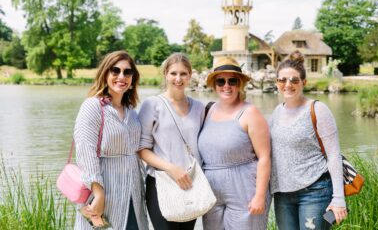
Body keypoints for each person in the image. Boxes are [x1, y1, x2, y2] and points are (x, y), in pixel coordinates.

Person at [269, 50, 347, 229]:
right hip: (282, 194)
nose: (288, 85)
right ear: (277, 82)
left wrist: (338, 199)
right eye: (282, 80)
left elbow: (334, 155)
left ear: (304, 82)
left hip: (315, 191)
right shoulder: (276, 112)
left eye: (294, 80)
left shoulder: (317, 109)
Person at [74, 50, 148, 230]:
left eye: (127, 72)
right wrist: (98, 192)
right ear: (105, 74)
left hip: (133, 189)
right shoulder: (93, 106)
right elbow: (85, 150)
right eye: (115, 71)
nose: (121, 76)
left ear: (132, 79)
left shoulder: (131, 110)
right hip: (105, 187)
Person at [198, 57, 271, 230]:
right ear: (214, 85)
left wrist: (259, 195)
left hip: (244, 187)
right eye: (220, 81)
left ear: (240, 84)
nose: (226, 85)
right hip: (211, 191)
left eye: (232, 81)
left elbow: (264, 157)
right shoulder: (207, 110)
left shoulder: (250, 113)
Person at [138, 53, 204, 230]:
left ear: (190, 76)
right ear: (166, 74)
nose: (178, 78)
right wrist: (172, 168)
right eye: (173, 73)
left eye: (183, 73)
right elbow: (142, 149)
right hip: (161, 183)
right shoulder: (151, 105)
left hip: (190, 184)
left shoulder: (199, 108)